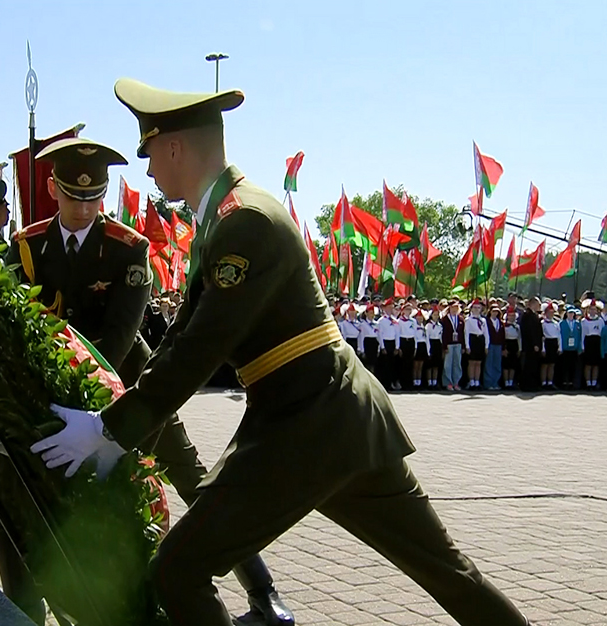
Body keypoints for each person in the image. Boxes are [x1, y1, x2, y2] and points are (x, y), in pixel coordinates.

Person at [31, 77, 529, 626]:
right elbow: (178, 343)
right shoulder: (226, 220)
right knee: (445, 571)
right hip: (334, 417)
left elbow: (197, 350)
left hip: (308, 420)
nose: (148, 170)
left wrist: (108, 430)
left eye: (150, 153)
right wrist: (120, 433)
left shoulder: (245, 222)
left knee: (180, 568)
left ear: (175, 147)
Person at [7, 136, 294, 625]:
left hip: (133, 386)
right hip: (54, 394)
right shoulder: (27, 247)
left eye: (94, 197)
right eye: (74, 197)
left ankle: (262, 588)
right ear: (53, 189)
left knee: (193, 479)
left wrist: (92, 406)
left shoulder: (128, 248)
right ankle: (36, 601)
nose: (84, 208)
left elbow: (118, 337)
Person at [519, 297, 543, 391]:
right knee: (529, 366)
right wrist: (535, 344)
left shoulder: (534, 315)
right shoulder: (528, 315)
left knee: (533, 365)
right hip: (530, 345)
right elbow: (530, 331)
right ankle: (527, 385)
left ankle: (533, 384)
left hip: (533, 345)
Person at [440, 300, 464, 391]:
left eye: (456, 307)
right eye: (453, 307)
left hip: (458, 344)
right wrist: (444, 346)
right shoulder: (444, 319)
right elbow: (443, 334)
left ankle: (456, 382)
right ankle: (448, 382)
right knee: (448, 364)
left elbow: (462, 333)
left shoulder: (460, 319)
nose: (454, 309)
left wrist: (463, 346)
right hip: (449, 344)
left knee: (457, 364)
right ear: (449, 308)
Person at [376, 298, 400, 390]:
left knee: (392, 365)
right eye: (388, 307)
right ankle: (384, 384)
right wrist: (382, 347)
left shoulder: (395, 321)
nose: (390, 309)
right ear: (385, 309)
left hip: (392, 343)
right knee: (384, 365)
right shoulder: (381, 321)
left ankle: (390, 383)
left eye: (391, 307)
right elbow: (380, 335)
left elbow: (397, 334)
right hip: (385, 343)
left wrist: (397, 347)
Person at [580, 298, 603, 389]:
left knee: (596, 364)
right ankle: (588, 383)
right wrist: (582, 346)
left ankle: (594, 382)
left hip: (597, 342)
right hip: (588, 341)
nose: (592, 311)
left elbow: (601, 333)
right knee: (588, 364)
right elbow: (583, 334)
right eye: (591, 309)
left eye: (594, 309)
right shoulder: (584, 321)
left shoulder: (600, 321)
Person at [559, 306, 581, 390]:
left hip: (574, 348)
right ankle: (565, 382)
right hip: (565, 348)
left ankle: (572, 382)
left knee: (573, 366)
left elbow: (580, 336)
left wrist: (579, 348)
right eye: (569, 313)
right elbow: (559, 336)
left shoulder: (577, 323)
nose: (571, 315)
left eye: (572, 313)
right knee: (565, 366)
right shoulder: (562, 323)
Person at [540, 302, 561, 389]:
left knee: (552, 364)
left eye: (552, 312)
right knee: (545, 365)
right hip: (546, 343)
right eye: (549, 312)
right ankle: (543, 382)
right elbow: (542, 337)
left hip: (554, 343)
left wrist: (560, 347)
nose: (551, 314)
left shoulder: (556, 323)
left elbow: (559, 336)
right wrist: (543, 349)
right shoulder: (542, 323)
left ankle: (550, 382)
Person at [484, 304, 505, 390]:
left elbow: (503, 335)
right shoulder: (486, 321)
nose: (495, 313)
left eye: (497, 311)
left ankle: (495, 382)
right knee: (489, 364)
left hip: (498, 345)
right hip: (490, 344)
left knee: (497, 364)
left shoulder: (500, 322)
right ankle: (488, 383)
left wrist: (503, 347)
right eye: (493, 311)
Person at [397, 302, 416, 390]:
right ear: (403, 310)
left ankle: (409, 383)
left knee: (410, 363)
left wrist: (415, 346)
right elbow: (398, 333)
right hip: (403, 340)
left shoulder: (413, 321)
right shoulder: (399, 321)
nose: (409, 311)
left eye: (410, 309)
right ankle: (403, 383)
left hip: (411, 341)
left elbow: (415, 333)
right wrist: (399, 347)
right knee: (403, 364)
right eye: (407, 309)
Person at [425, 307, 443, 389]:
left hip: (437, 344)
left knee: (436, 365)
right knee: (430, 365)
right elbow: (427, 338)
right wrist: (428, 350)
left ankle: (435, 382)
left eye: (437, 315)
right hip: (431, 343)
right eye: (434, 315)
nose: (436, 316)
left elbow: (441, 337)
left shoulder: (440, 326)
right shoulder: (428, 326)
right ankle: (429, 382)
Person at [502, 308, 521, 389]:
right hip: (507, 343)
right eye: (510, 316)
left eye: (513, 316)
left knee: (513, 364)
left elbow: (519, 338)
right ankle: (506, 382)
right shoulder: (504, 326)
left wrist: (519, 348)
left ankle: (511, 381)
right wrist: (504, 348)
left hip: (515, 344)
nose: (512, 317)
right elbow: (502, 338)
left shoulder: (517, 326)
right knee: (506, 365)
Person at [357, 303, 378, 373]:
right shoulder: (363, 324)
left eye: (373, 313)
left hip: (374, 343)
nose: (372, 315)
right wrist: (362, 350)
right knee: (367, 365)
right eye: (370, 313)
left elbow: (378, 335)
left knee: (373, 364)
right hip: (367, 343)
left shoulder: (376, 323)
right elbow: (361, 337)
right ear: (366, 313)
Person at [412, 308, 429, 389]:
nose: (420, 319)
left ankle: (419, 382)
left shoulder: (424, 327)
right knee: (416, 365)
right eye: (418, 317)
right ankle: (415, 381)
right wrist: (415, 347)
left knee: (421, 365)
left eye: (421, 318)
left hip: (423, 345)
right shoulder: (414, 327)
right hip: (417, 345)